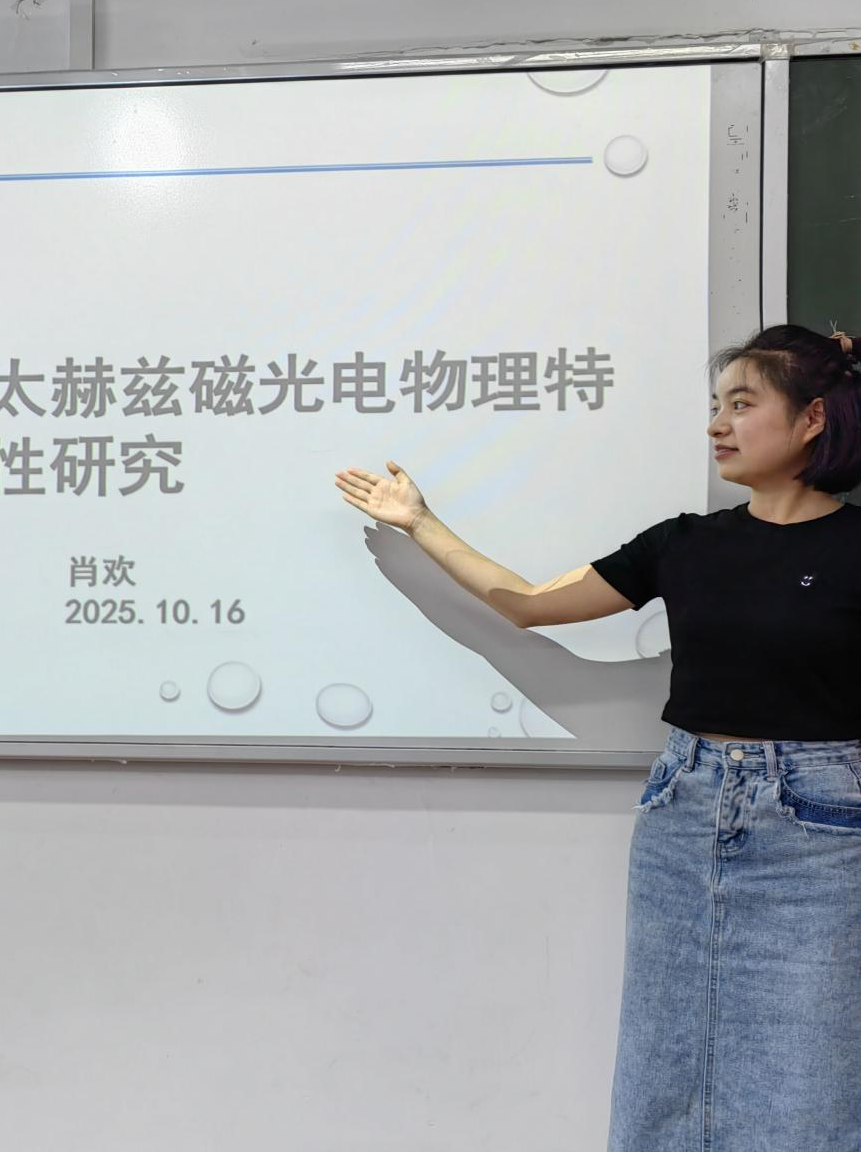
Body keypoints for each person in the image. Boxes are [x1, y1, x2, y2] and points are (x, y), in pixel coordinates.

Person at [334, 323, 861, 1151]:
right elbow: (529, 603)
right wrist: (420, 522)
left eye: (742, 404)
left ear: (814, 418)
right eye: (715, 406)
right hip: (682, 812)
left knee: (809, 1071)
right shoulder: (683, 543)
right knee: (664, 1058)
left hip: (822, 832)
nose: (718, 424)